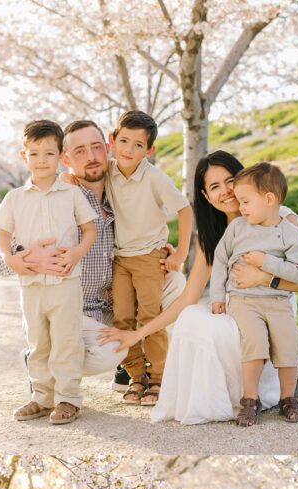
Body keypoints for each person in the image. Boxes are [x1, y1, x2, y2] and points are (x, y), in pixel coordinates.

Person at [98, 150, 298, 425]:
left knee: (225, 329)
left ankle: (269, 395)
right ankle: (224, 402)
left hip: (275, 302)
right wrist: (138, 334)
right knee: (192, 318)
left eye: (230, 181)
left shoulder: (281, 219)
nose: (226, 191)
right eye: (215, 187)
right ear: (206, 196)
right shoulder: (212, 236)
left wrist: (265, 278)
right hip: (237, 303)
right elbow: (188, 298)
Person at [0, 119, 186, 395]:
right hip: (73, 310)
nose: (91, 157)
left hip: (114, 303)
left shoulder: (122, 188)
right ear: (65, 158)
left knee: (175, 282)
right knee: (109, 352)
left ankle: (132, 367)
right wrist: (21, 259)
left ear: (108, 147)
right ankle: (44, 361)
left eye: (96, 147)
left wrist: (166, 249)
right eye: (79, 151)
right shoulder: (56, 197)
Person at [0, 119, 97, 424]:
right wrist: (10, 259)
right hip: (31, 284)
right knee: (38, 342)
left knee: (66, 341)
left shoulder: (72, 194)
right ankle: (41, 397)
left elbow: (89, 230)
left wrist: (76, 253)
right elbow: (3, 234)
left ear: (61, 155)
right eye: (34, 153)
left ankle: (68, 398)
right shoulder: (15, 197)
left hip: (65, 282)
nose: (41, 160)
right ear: (24, 156)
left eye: (49, 153)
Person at [211, 162, 298, 426]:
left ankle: (288, 399)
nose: (240, 207)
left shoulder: (289, 233)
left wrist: (266, 262)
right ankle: (249, 400)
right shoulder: (237, 229)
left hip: (277, 301)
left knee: (289, 344)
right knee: (255, 342)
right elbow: (220, 260)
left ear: (269, 199)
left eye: (245, 201)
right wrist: (217, 296)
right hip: (244, 300)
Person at [105, 110, 193, 406]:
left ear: (149, 150)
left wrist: (180, 253)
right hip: (120, 259)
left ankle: (157, 377)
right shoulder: (108, 171)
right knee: (122, 318)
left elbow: (185, 210)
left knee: (150, 316)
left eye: (138, 145)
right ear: (112, 140)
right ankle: (135, 377)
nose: (129, 150)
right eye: (124, 141)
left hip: (148, 258)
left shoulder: (154, 178)